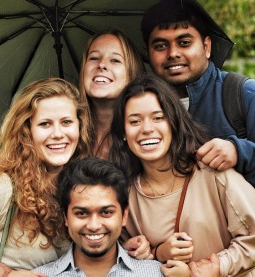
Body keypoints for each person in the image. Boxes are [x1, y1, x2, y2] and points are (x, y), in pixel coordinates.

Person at [109, 74, 255, 276]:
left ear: (174, 123)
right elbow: (121, 260)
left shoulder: (211, 172)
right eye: (135, 121)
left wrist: (211, 268)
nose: (147, 129)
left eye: (158, 118)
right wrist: (154, 252)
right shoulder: (125, 193)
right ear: (123, 133)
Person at [0, 77, 92, 276]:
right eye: (45, 124)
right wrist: (4, 275)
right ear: (26, 131)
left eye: (66, 122)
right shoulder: (2, 187)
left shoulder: (81, 188)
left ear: (79, 127)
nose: (58, 133)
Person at [140, 0, 255, 186]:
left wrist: (239, 151)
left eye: (184, 43)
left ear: (206, 46)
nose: (173, 53)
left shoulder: (243, 93)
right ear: (147, 53)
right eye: (160, 46)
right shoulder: (141, 106)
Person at [33, 157, 163, 277]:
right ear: (66, 217)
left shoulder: (156, 273)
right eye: (81, 213)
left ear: (124, 215)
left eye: (106, 212)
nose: (94, 226)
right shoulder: (39, 276)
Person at [79, 29, 145, 159]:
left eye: (115, 60)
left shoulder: (146, 133)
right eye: (94, 58)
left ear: (132, 74)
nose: (102, 65)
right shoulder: (67, 133)